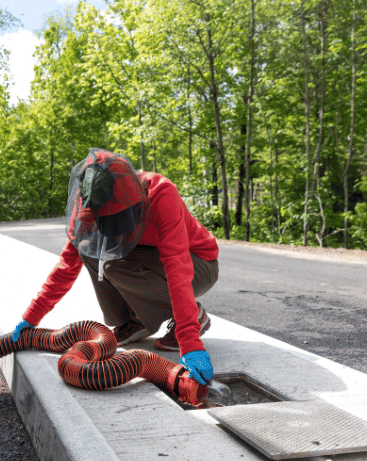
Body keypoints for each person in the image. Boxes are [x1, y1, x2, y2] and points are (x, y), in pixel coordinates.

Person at [11, 148, 219, 385]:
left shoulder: (161, 193)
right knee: (89, 250)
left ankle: (196, 316)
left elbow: (178, 267)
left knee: (113, 265)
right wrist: (31, 317)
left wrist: (190, 341)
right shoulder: (87, 204)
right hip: (152, 258)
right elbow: (67, 265)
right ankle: (138, 319)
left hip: (199, 263)